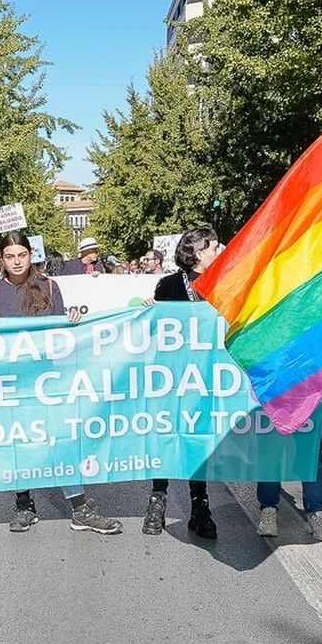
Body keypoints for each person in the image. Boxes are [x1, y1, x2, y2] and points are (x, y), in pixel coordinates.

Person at [0, 230, 121, 536]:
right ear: (1, 260)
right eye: (9, 257)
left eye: (22, 255)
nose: (16, 262)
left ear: (31, 255)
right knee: (20, 441)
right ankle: (24, 505)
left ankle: (80, 509)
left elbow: (63, 336)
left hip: (47, 379)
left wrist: (70, 318)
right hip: (14, 381)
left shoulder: (51, 286)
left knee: (61, 440)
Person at [141, 226, 223, 539]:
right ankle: (157, 500)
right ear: (198, 253)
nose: (218, 252)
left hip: (206, 377)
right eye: (214, 247)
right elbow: (155, 333)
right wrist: (149, 314)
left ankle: (200, 506)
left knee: (196, 438)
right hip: (173, 376)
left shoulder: (223, 283)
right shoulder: (169, 285)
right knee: (166, 433)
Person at [256, 411, 322, 542]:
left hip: (308, 400)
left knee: (311, 454)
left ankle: (316, 512)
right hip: (273, 398)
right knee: (270, 452)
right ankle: (268, 509)